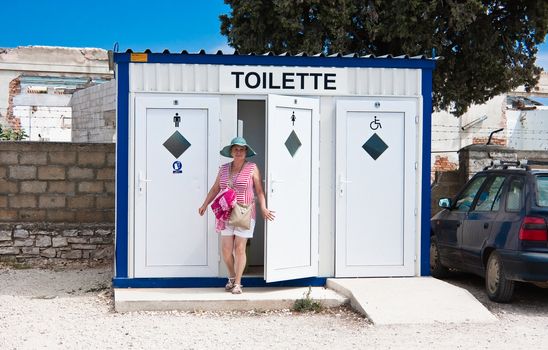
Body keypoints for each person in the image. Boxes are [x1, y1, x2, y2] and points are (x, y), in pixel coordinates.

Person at [199, 137, 275, 294]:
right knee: (226, 250)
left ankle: (238, 284)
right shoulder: (224, 168)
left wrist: (264, 208)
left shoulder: (252, 168)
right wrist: (205, 204)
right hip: (226, 212)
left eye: (242, 149)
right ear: (231, 152)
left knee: (239, 248)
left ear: (246, 152)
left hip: (245, 212)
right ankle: (232, 277)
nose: (239, 152)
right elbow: (215, 189)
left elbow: (259, 190)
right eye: (236, 149)